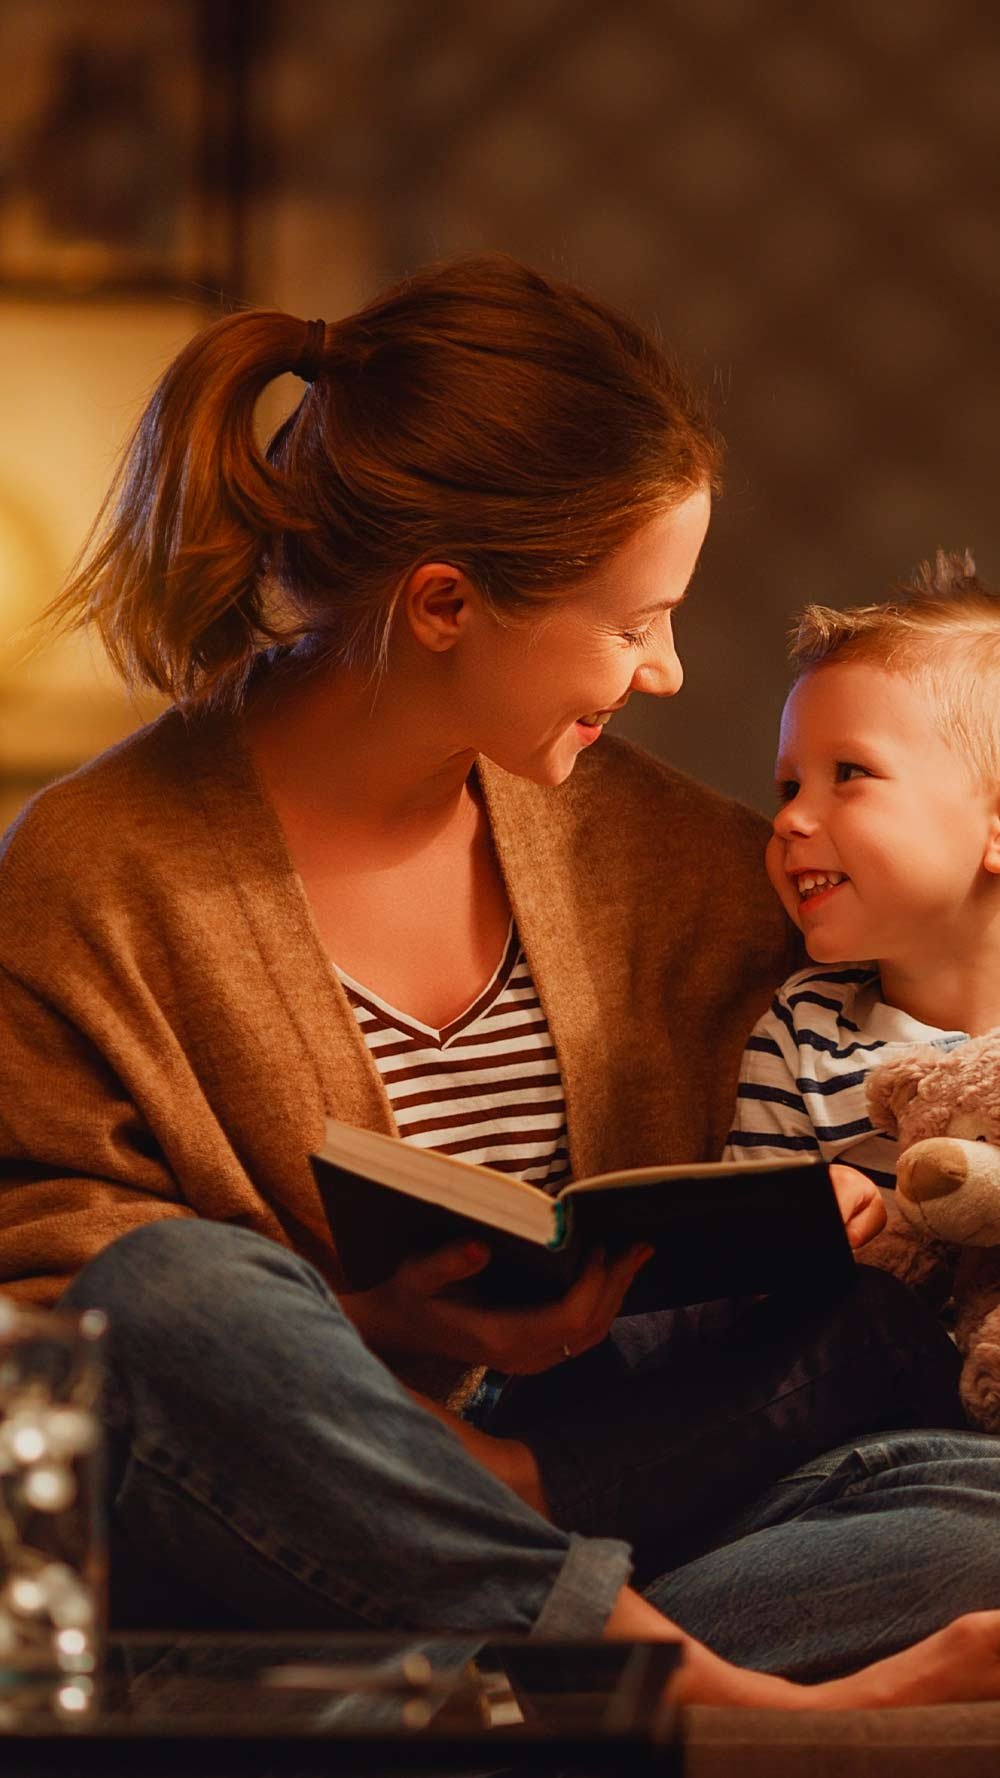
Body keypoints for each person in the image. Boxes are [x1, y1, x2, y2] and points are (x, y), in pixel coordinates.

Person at [2, 255, 1000, 1711]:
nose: (664, 673)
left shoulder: (683, 862)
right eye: (631, 619)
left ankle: (478, 1677)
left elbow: (879, 1160)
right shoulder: (96, 868)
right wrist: (384, 1326)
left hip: (639, 1491)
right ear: (448, 602)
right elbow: (58, 1329)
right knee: (165, 1294)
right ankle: (687, 1693)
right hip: (287, 1517)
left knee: (972, 1502)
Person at [726, 550, 1000, 1179]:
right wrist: (815, 1228)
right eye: (788, 789)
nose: (788, 820)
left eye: (850, 774)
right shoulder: (804, 1034)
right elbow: (746, 1257)